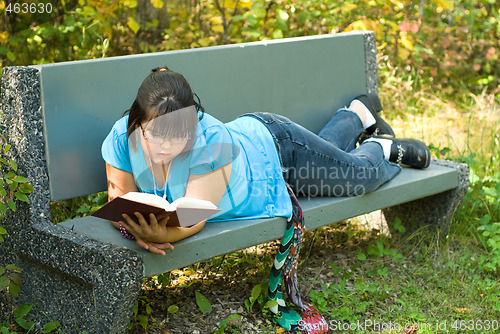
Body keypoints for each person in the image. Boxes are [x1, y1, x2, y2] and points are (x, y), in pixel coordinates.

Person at [101, 65, 430, 332]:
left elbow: (192, 215)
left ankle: (382, 146)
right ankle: (357, 114)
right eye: (155, 135)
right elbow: (120, 197)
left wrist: (160, 233)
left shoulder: (211, 140)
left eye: (179, 138)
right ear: (137, 121)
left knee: (359, 176)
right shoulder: (121, 136)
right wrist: (137, 225)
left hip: (280, 151)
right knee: (332, 157)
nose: (166, 148)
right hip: (264, 158)